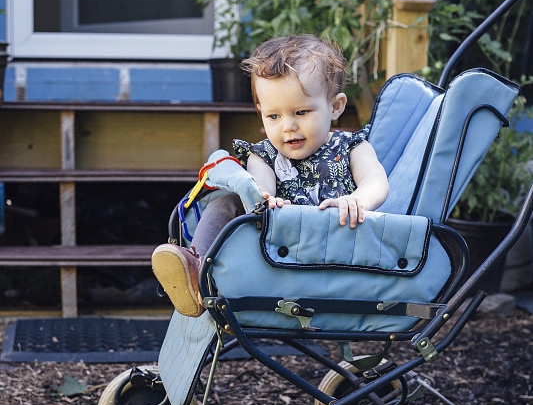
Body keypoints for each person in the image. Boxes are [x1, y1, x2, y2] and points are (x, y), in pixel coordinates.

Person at [152, 34, 389, 317]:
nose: (288, 126)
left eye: (301, 112)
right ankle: (196, 272)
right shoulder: (263, 155)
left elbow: (377, 182)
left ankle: (199, 273)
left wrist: (357, 200)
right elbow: (260, 186)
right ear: (260, 113)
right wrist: (265, 198)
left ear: (335, 106)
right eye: (274, 116)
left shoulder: (351, 146)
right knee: (226, 203)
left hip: (336, 249)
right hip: (277, 254)